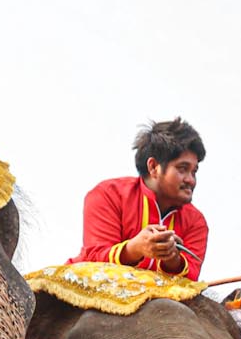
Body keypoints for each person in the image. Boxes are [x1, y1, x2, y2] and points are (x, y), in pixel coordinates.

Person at [71, 118, 209, 276]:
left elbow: (191, 277)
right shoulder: (108, 194)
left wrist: (172, 259)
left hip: (158, 299)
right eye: (182, 169)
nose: (191, 180)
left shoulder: (195, 221)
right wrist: (134, 249)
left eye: (194, 171)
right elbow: (94, 260)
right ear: (153, 167)